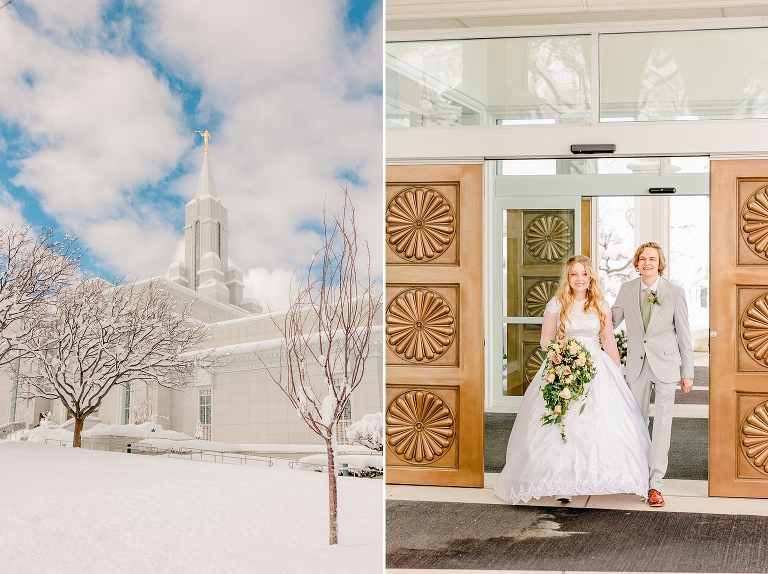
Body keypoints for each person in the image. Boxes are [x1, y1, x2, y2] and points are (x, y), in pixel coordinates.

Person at [495, 255, 651, 504]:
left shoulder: (599, 302)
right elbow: (545, 340)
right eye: (574, 274)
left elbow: (608, 340)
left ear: (591, 278)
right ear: (568, 277)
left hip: (595, 367)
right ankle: (561, 482)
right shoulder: (557, 303)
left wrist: (618, 371)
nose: (580, 279)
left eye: (584, 274)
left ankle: (600, 477)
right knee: (561, 421)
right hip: (563, 365)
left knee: (600, 421)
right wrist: (562, 350)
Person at [611, 242, 694, 508]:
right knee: (635, 423)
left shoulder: (675, 292)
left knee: (662, 425)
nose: (647, 263)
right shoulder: (626, 290)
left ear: (660, 263)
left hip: (667, 367)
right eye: (642, 259)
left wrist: (687, 372)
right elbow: (610, 322)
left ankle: (656, 485)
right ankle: (636, 477)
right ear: (637, 263)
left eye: (652, 259)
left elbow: (684, 335)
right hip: (636, 366)